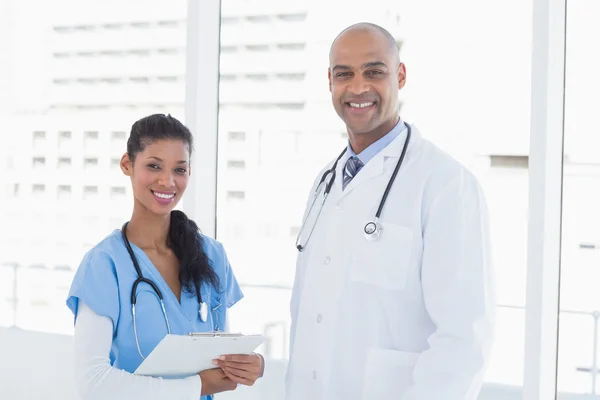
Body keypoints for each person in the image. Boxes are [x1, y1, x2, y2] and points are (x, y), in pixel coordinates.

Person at [286, 22, 495, 400]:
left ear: (400, 76)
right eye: (343, 74)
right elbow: (306, 314)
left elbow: (464, 339)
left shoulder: (446, 184)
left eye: (374, 72)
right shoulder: (325, 182)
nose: (358, 87)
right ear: (329, 82)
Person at [66, 114, 264, 400]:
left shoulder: (211, 255)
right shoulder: (104, 264)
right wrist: (198, 386)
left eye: (179, 169)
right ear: (127, 165)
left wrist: (252, 366)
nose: (167, 181)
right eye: (154, 166)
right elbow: (93, 383)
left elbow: (221, 355)